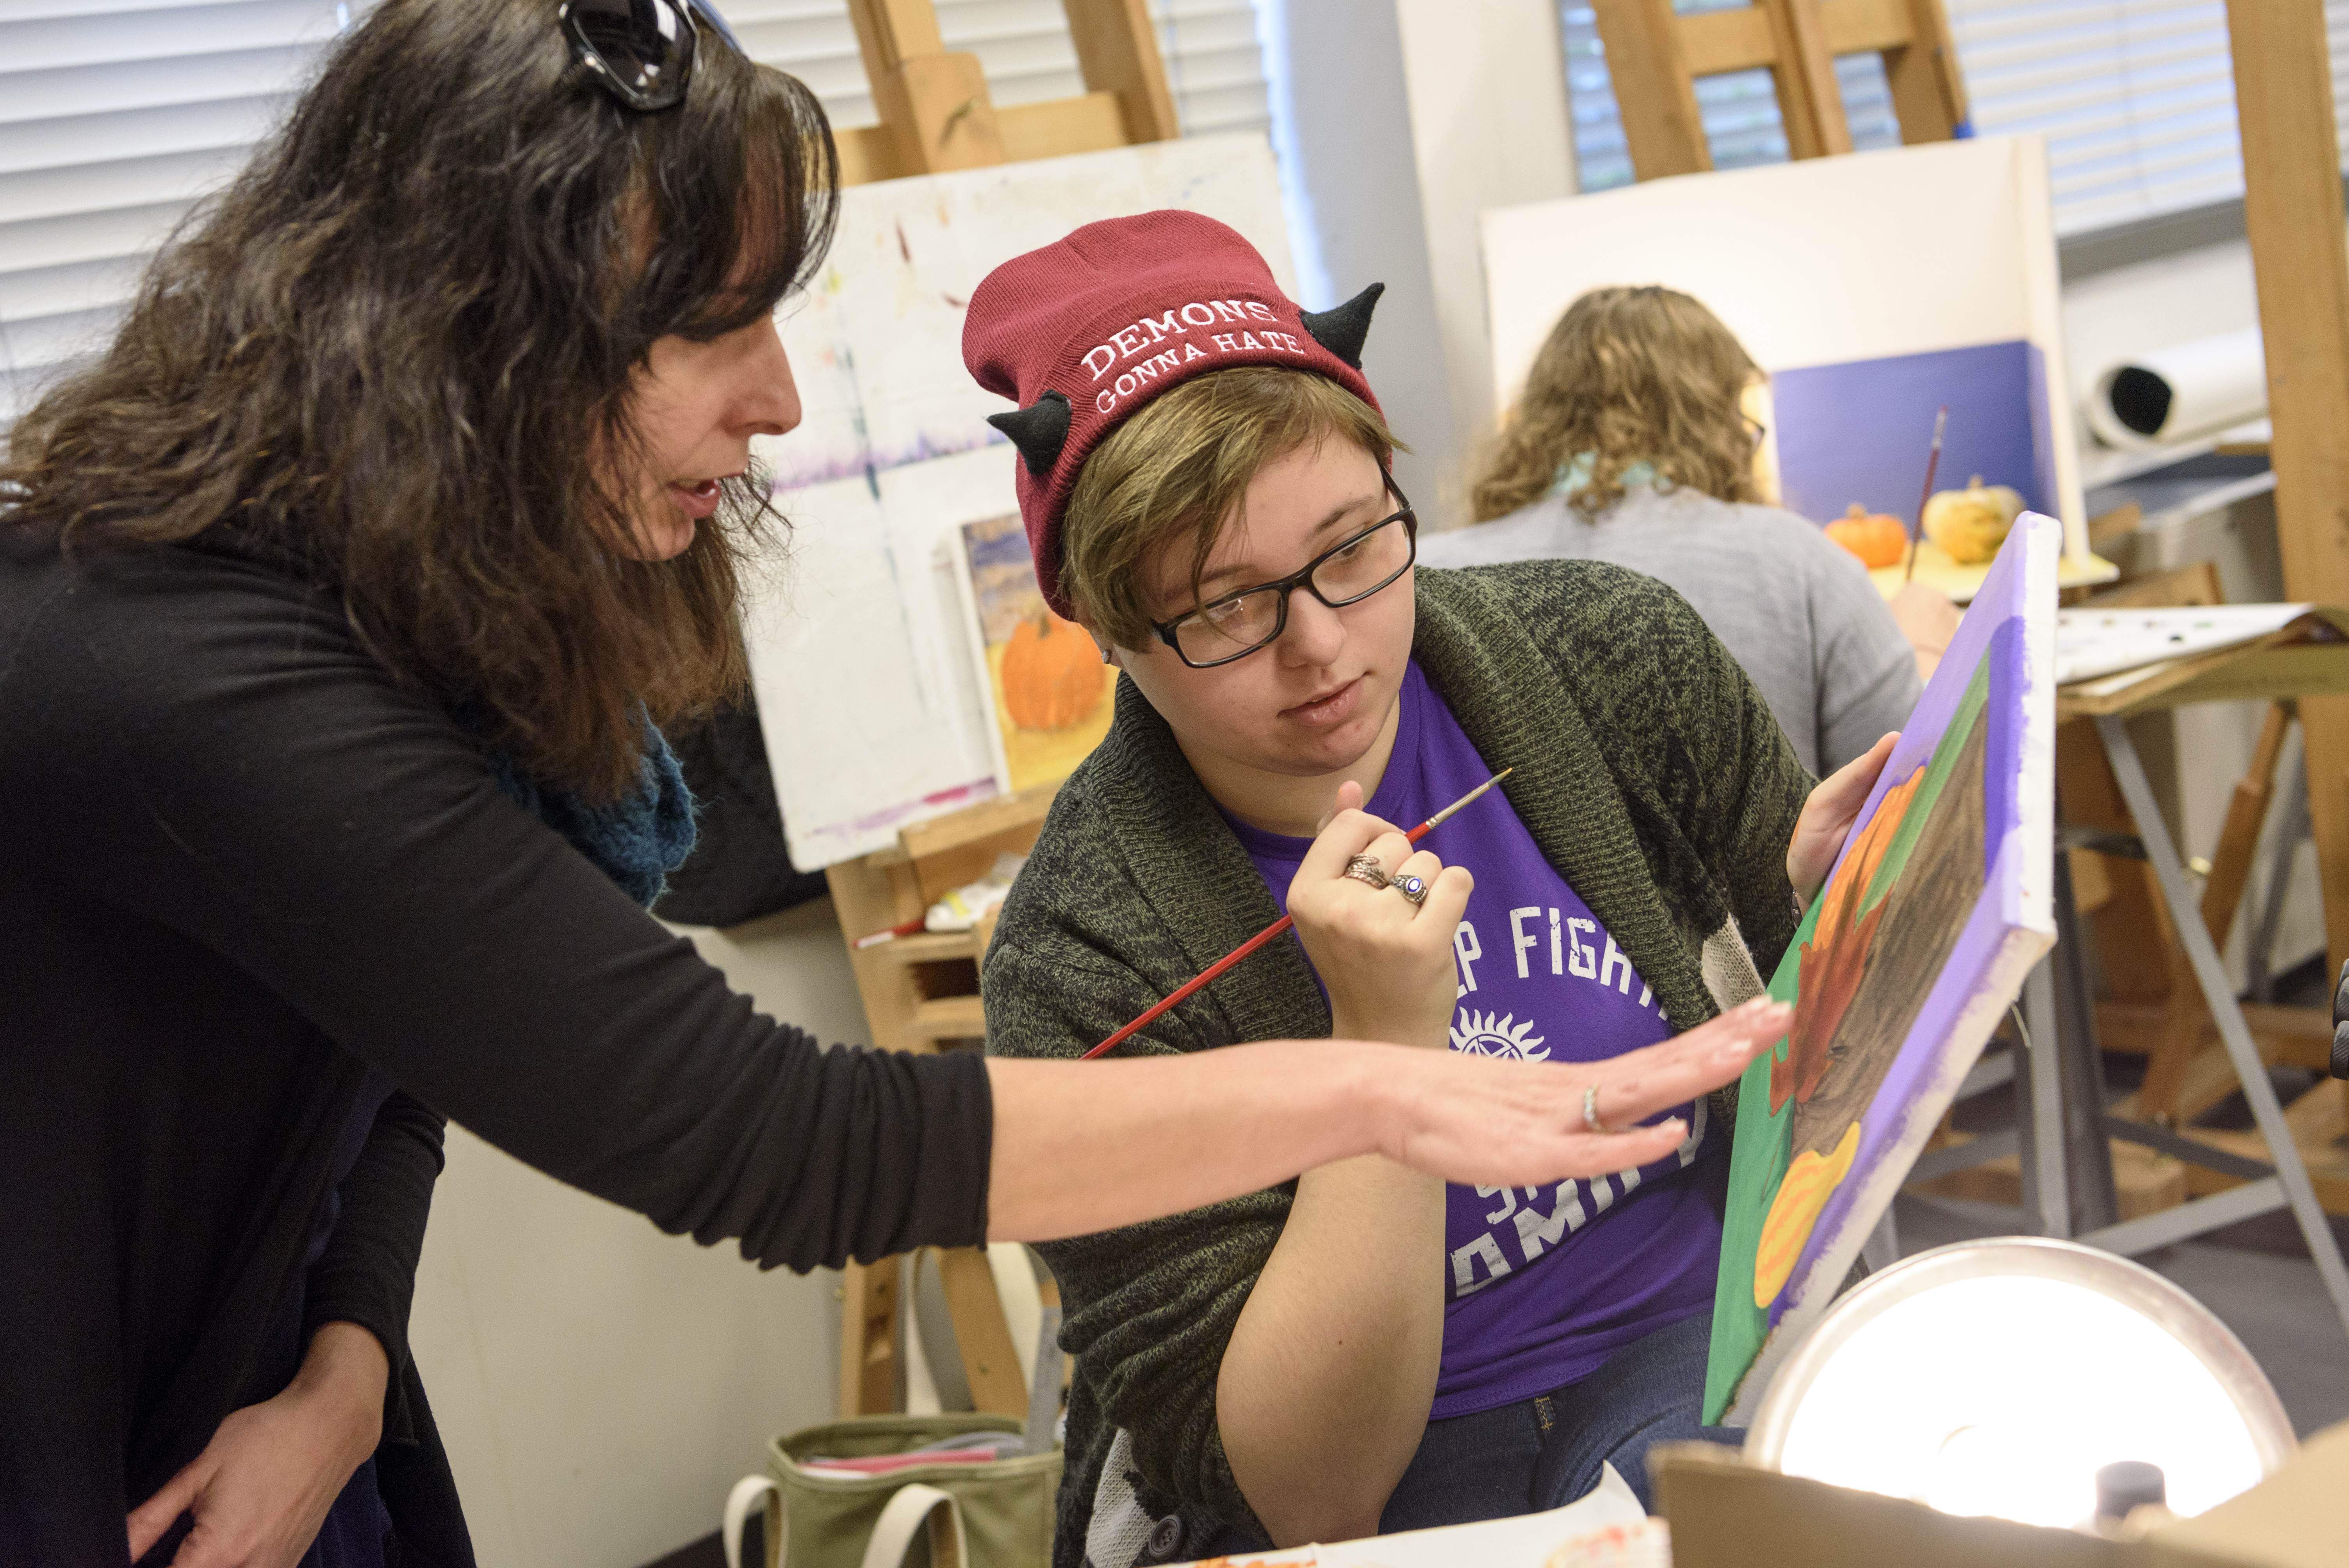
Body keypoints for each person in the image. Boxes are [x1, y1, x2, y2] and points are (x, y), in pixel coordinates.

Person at [0, 7, 1804, 1568]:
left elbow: (374, 1062)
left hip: (251, 1408)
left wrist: (344, 1355)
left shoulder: (368, 641)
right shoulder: (178, 669)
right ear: (479, 339)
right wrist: (1379, 1085)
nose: (780, 398)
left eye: (1350, 553)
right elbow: (776, 1139)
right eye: (712, 328)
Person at [962, 215, 1892, 1568]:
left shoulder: (1610, 658)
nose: (1323, 646)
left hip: (1700, 1349)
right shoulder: (1078, 955)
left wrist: (1840, 926)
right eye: (1223, 608)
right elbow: (1308, 1494)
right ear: (1107, 630)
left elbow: (1833, 1118)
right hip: (1401, 1474)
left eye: (1352, 545)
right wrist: (1382, 1053)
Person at [1419, 284, 1960, 776]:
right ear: (1719, 419)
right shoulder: (1799, 563)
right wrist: (1927, 650)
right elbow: (1914, 792)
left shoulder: (1426, 575)